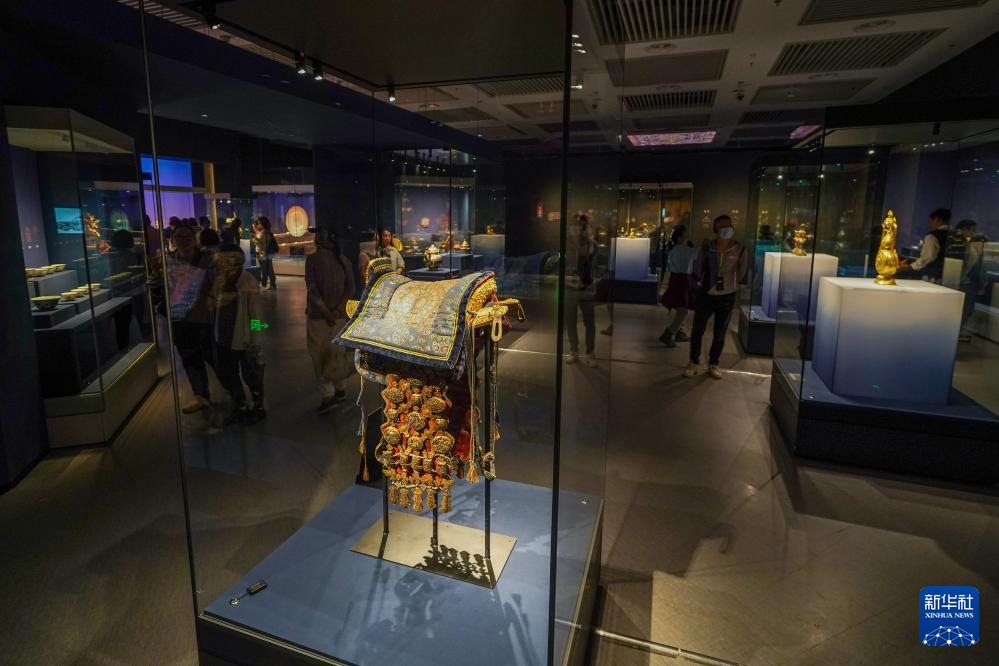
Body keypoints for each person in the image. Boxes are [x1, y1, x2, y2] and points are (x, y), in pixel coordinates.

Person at [156, 224, 215, 412]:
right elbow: (163, 287)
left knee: (215, 358)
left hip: (203, 316)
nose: (183, 240)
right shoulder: (168, 261)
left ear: (194, 239)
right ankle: (200, 395)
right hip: (180, 318)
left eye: (187, 236)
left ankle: (237, 396)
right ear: (173, 240)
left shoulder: (206, 259)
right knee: (189, 358)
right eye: (179, 237)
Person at [684, 215, 748, 380]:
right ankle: (693, 361)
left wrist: (732, 286)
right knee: (698, 330)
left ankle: (714, 363)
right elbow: (697, 267)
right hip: (706, 294)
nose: (727, 229)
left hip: (727, 296)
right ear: (716, 230)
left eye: (729, 226)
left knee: (720, 333)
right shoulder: (707, 248)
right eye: (722, 227)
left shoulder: (739, 249)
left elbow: (742, 272)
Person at [210, 245, 266, 424]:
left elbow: (256, 315)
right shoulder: (220, 280)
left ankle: (257, 406)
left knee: (251, 374)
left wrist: (256, 340)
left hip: (243, 339)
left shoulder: (248, 282)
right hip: (223, 337)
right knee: (229, 372)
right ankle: (239, 403)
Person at [305, 230, 356, 413]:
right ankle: (340, 389)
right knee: (336, 353)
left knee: (319, 356)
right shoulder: (344, 260)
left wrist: (326, 312)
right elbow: (351, 288)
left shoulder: (312, 260)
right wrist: (337, 310)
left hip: (318, 317)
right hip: (339, 316)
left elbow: (312, 290)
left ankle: (327, 395)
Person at [566, 214, 598, 367]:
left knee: (589, 322)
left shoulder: (591, 246)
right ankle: (574, 350)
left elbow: (594, 267)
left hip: (586, 288)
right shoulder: (568, 246)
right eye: (574, 227)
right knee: (570, 321)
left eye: (580, 227)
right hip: (570, 287)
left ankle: (590, 352)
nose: (576, 230)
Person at [658, 225, 698, 347]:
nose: (687, 236)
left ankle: (678, 331)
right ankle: (669, 333)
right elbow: (698, 253)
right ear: (680, 237)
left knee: (677, 307)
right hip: (683, 280)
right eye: (685, 234)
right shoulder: (685, 250)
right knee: (683, 310)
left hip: (675, 279)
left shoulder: (674, 250)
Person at [949, 219, 985, 341]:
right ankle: (955, 332)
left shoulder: (963, 242)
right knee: (966, 308)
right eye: (972, 230)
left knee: (965, 309)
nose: (973, 233)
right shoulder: (960, 243)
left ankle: (956, 331)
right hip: (964, 281)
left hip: (963, 280)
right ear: (964, 229)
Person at [898, 208, 950, 282]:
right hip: (950, 277)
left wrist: (911, 267)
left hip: (934, 276)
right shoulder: (954, 236)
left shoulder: (932, 236)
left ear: (937, 219)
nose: (930, 224)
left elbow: (928, 257)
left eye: (931, 221)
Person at [255, 216, 278, 289]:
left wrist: (256, 240)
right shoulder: (267, 232)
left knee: (266, 268)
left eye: (259, 223)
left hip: (265, 253)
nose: (258, 225)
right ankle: (269, 283)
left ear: (262, 224)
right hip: (267, 252)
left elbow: (263, 245)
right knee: (268, 268)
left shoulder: (264, 232)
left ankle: (268, 284)